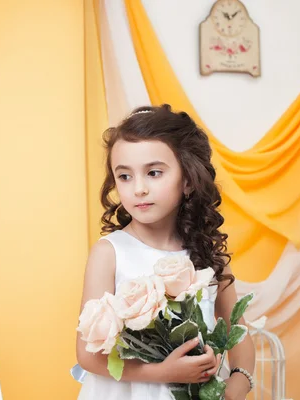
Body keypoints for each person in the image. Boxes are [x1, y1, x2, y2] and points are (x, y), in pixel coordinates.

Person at [75, 105, 255, 400]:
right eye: (125, 176)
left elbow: (238, 333)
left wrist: (236, 387)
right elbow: (87, 354)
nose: (139, 189)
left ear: (187, 180)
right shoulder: (109, 253)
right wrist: (164, 373)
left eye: (154, 173)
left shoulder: (208, 256)